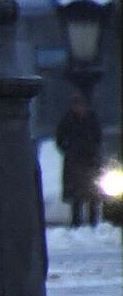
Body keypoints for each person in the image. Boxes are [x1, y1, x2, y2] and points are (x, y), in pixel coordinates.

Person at [54, 92, 103, 228]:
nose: (78, 108)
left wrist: (91, 150)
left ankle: (93, 222)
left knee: (92, 191)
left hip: (90, 159)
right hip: (75, 160)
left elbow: (98, 137)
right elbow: (60, 137)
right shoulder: (68, 119)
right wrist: (68, 149)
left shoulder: (91, 118)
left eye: (80, 105)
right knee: (77, 193)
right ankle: (76, 222)